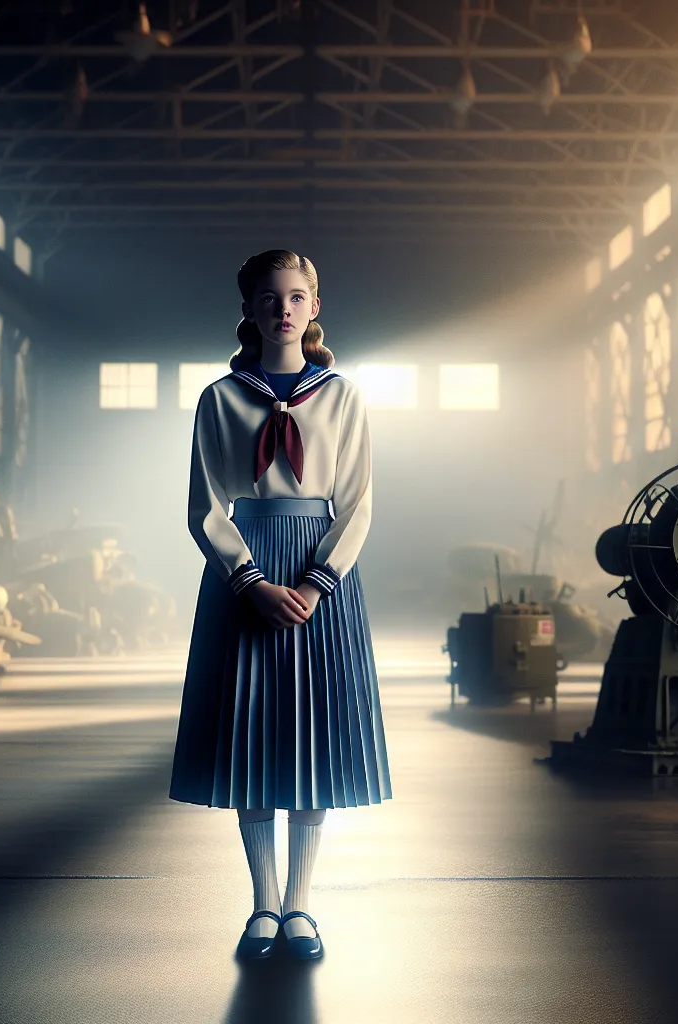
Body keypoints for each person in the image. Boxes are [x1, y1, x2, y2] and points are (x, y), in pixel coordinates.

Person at [169, 249, 392, 961]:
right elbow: (205, 505)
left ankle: (301, 905)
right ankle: (261, 904)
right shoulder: (220, 399)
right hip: (249, 571)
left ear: (314, 308)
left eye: (297, 297)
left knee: (313, 740)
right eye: (269, 297)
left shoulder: (344, 397)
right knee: (254, 737)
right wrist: (250, 581)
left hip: (319, 576)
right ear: (250, 309)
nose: (284, 309)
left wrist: (316, 582)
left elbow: (357, 503)